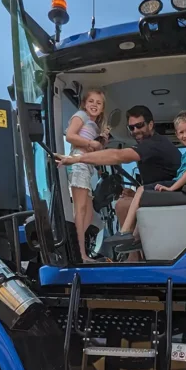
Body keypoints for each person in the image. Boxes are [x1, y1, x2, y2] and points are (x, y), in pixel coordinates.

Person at [56, 105, 180, 259]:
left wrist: (78, 159)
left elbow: (118, 156)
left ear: (151, 124)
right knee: (126, 199)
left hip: (171, 198)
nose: (135, 131)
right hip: (163, 195)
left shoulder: (154, 144)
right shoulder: (152, 145)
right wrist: (135, 193)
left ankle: (132, 255)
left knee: (122, 205)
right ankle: (134, 254)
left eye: (139, 125)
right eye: (131, 127)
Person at [115, 110, 186, 237]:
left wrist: (172, 188)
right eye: (181, 132)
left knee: (141, 190)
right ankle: (134, 238)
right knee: (143, 199)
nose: (185, 135)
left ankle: (125, 232)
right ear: (177, 135)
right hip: (183, 187)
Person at [63, 88, 111, 262]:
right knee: (81, 210)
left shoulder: (93, 125)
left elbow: (95, 150)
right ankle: (79, 254)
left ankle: (78, 248)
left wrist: (101, 140)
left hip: (87, 168)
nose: (94, 105)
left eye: (99, 103)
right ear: (84, 103)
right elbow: (70, 136)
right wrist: (92, 142)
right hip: (78, 165)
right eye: (91, 101)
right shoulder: (80, 116)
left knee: (89, 214)